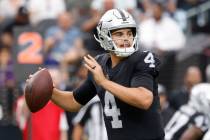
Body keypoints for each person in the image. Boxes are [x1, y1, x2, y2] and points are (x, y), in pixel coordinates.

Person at [29, 9, 164, 140]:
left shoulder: (142, 59)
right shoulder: (100, 63)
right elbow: (74, 102)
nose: (126, 38)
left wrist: (104, 82)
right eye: (119, 34)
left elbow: (144, 99)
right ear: (104, 35)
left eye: (129, 33)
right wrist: (50, 91)